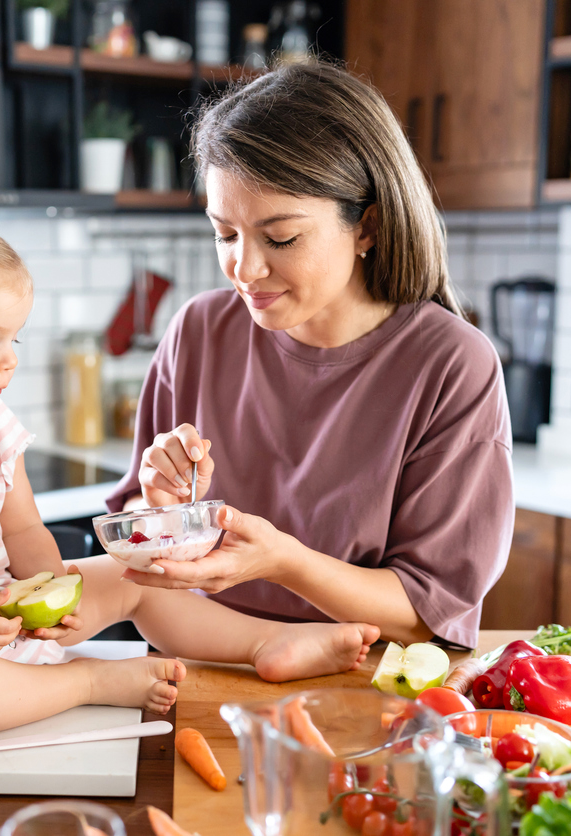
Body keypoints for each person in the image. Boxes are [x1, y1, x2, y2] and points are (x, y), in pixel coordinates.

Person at [0, 184, 379, 737]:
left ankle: (264, 644)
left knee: (138, 573)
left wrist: (56, 587)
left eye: (12, 341)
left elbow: (22, 529)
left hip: (3, 617)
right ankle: (86, 682)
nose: (7, 361)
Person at [106, 61, 514, 651]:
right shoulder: (198, 330)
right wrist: (161, 506)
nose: (245, 269)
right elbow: (142, 553)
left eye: (281, 238)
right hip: (197, 669)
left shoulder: (452, 367)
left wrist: (283, 562)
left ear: (367, 226)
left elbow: (430, 613)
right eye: (225, 234)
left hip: (362, 692)